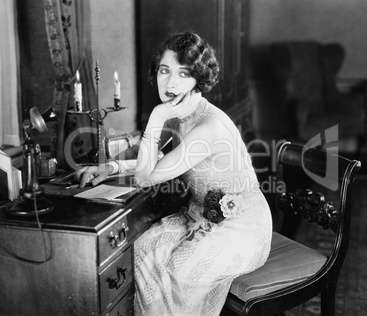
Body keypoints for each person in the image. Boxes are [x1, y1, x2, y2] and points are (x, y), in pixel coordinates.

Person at [75, 31, 272, 316]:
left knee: (181, 272)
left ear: (198, 78)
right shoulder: (184, 114)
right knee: (144, 247)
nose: (170, 83)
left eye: (184, 73)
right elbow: (161, 163)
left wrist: (156, 116)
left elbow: (145, 178)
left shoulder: (208, 126)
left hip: (243, 227)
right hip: (204, 215)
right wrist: (111, 167)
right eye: (165, 71)